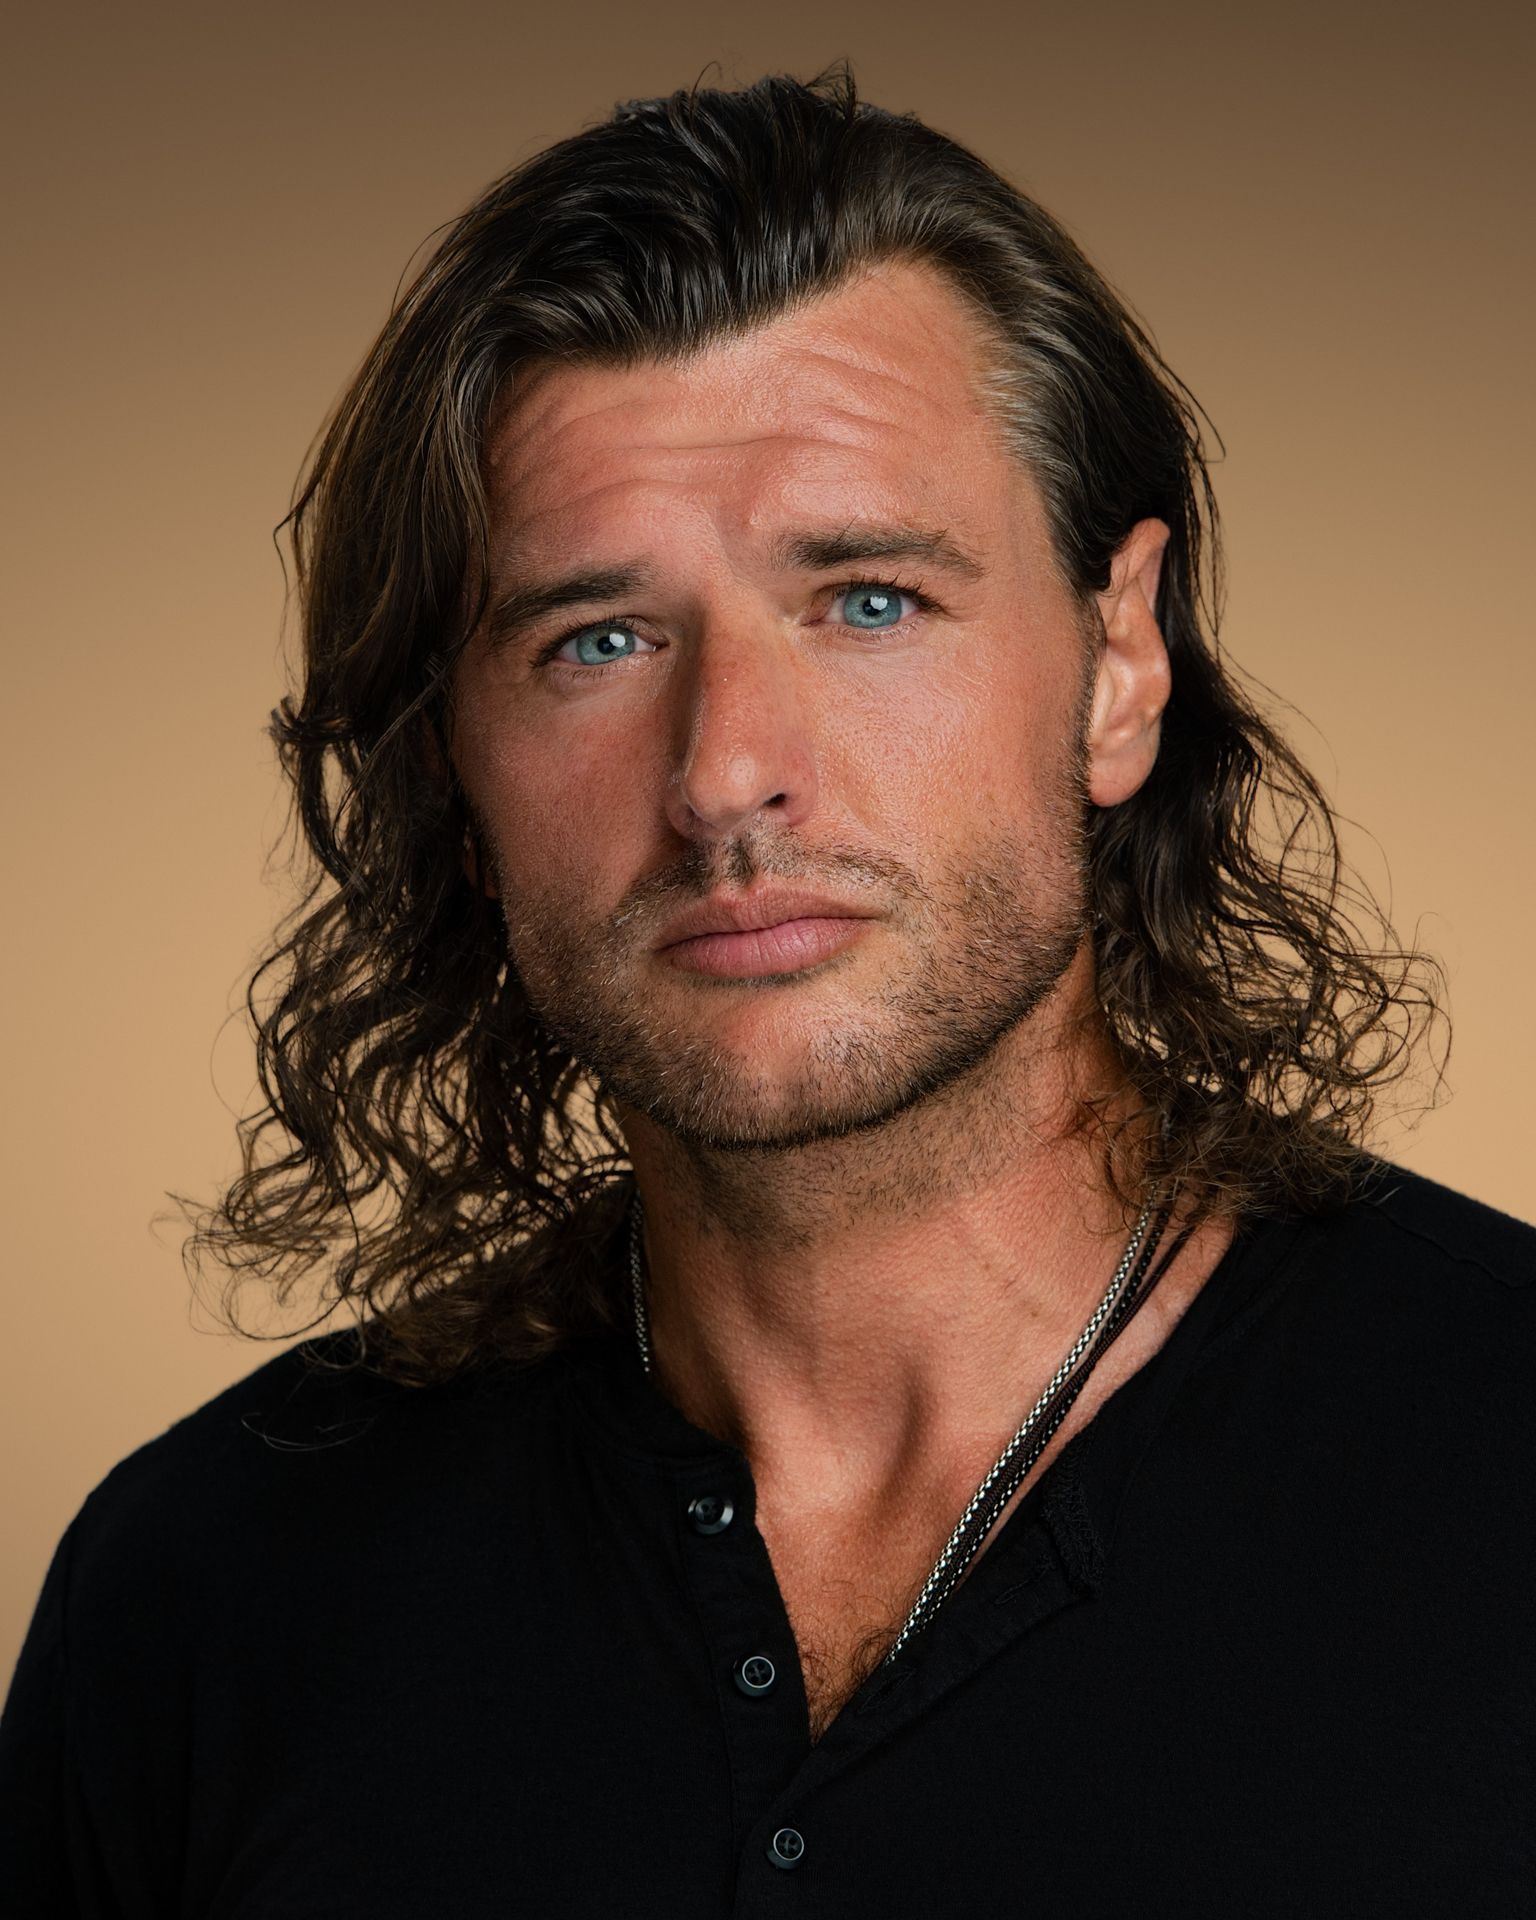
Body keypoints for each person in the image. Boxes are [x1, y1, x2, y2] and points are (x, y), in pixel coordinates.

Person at [2, 63, 1531, 1916]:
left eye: (869, 599)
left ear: (1121, 661)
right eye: (599, 638)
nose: (726, 770)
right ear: (454, 778)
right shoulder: (208, 1588)